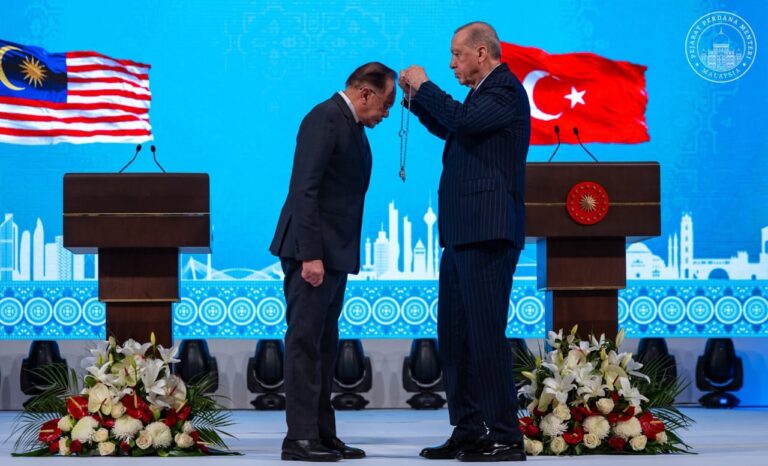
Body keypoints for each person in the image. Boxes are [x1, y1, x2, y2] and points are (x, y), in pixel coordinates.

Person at [399, 22, 530, 462]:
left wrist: (425, 86)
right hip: (461, 233)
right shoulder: (480, 95)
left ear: (482, 53)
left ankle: (506, 434)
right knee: (455, 336)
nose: (452, 63)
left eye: (457, 54)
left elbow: (463, 121)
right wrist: (416, 100)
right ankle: (470, 429)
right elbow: (454, 129)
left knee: (485, 335)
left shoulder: (505, 89)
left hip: (488, 232)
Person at [269, 62, 396, 462]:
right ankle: (299, 438)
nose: (387, 113)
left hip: (333, 255)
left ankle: (322, 434)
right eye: (386, 103)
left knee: (324, 347)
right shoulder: (324, 118)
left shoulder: (351, 125)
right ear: (366, 93)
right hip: (312, 254)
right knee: (305, 344)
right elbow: (304, 190)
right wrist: (311, 255)